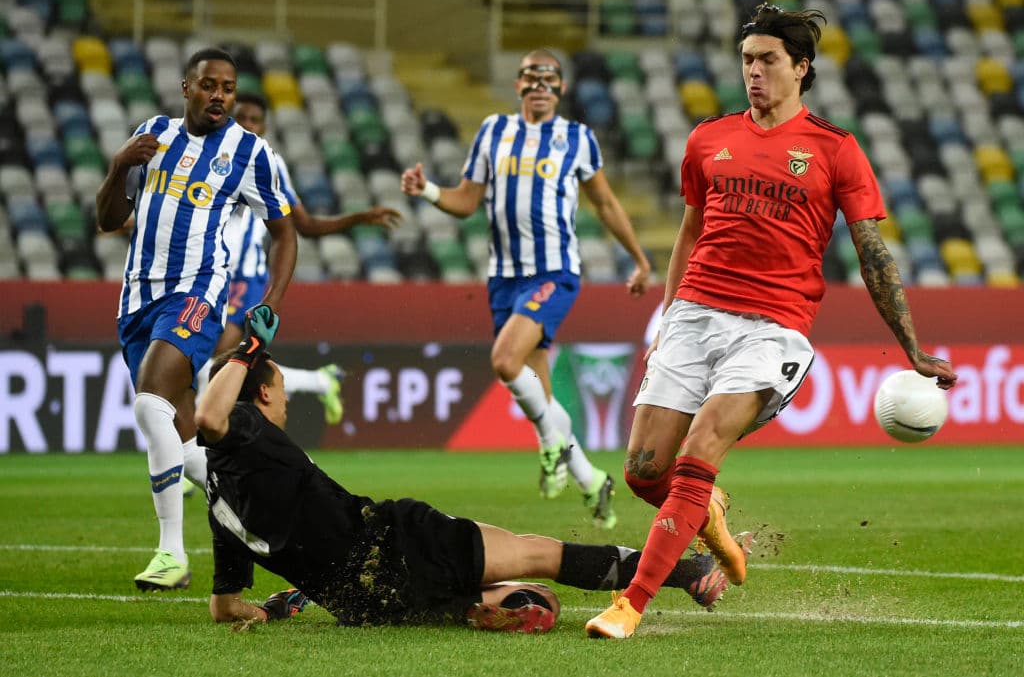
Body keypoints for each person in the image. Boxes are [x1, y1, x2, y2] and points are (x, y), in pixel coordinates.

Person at [585, 4, 959, 639]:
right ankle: (716, 520)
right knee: (645, 471)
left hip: (772, 327)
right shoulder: (708, 139)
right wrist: (668, 320)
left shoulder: (835, 149)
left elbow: (873, 254)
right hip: (694, 313)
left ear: (801, 68)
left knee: (702, 448)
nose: (753, 72)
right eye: (746, 60)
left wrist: (913, 349)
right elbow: (690, 232)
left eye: (767, 61)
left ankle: (631, 605)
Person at [195, 306, 744, 632]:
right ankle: (687, 572)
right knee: (539, 555)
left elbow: (225, 608)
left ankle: (484, 606)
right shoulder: (245, 427)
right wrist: (249, 345)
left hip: (359, 602)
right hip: (391, 541)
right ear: (262, 393)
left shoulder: (220, 501)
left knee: (533, 601)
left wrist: (275, 606)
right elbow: (211, 417)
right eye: (283, 391)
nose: (288, 404)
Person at [401, 49, 652, 530]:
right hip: (504, 278)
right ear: (517, 85)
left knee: (504, 360)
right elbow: (467, 199)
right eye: (531, 77)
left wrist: (640, 259)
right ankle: (591, 479)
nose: (539, 84)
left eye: (549, 78)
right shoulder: (493, 132)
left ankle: (551, 444)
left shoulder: (576, 139)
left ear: (560, 88)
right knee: (540, 392)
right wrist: (429, 191)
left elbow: (605, 203)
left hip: (553, 272)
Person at [95, 48, 298, 592]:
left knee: (148, 403)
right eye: (209, 85)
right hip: (136, 299)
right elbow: (108, 219)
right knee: (184, 446)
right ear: (187, 87)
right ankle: (278, 515)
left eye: (228, 88)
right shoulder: (153, 135)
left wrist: (271, 301)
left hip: (197, 293)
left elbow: (285, 232)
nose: (219, 96)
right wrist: (120, 166)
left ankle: (170, 553)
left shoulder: (249, 152)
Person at [194, 92, 401, 427]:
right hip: (204, 276)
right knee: (215, 364)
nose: (248, 125)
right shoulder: (205, 156)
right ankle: (319, 381)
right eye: (241, 117)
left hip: (245, 277)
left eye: (255, 120)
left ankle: (202, 460)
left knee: (217, 361)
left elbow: (303, 225)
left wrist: (358, 218)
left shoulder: (269, 164)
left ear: (264, 126)